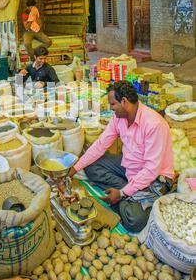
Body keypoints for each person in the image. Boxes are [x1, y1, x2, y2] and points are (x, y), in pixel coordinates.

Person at [69, 81, 175, 233]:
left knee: (135, 221)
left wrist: (122, 192)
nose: (111, 108)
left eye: (113, 104)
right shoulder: (118, 118)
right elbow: (100, 145)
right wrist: (75, 168)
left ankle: (123, 195)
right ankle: (127, 193)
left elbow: (151, 170)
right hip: (129, 168)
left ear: (124, 101)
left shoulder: (154, 124)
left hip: (155, 177)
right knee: (91, 164)